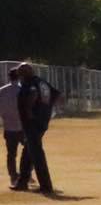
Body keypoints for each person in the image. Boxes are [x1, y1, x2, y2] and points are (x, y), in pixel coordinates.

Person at [13, 64, 62, 194]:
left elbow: (33, 93)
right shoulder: (42, 82)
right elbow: (56, 94)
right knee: (28, 150)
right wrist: (47, 109)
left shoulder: (31, 83)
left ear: (25, 74)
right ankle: (22, 181)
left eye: (21, 73)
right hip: (41, 120)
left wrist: (29, 110)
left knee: (36, 153)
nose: (20, 77)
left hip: (32, 122)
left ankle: (46, 186)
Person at [0, 67, 22, 189]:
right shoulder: (22, 90)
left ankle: (13, 176)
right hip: (23, 127)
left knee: (11, 154)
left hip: (9, 126)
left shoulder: (2, 91)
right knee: (30, 150)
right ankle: (26, 173)